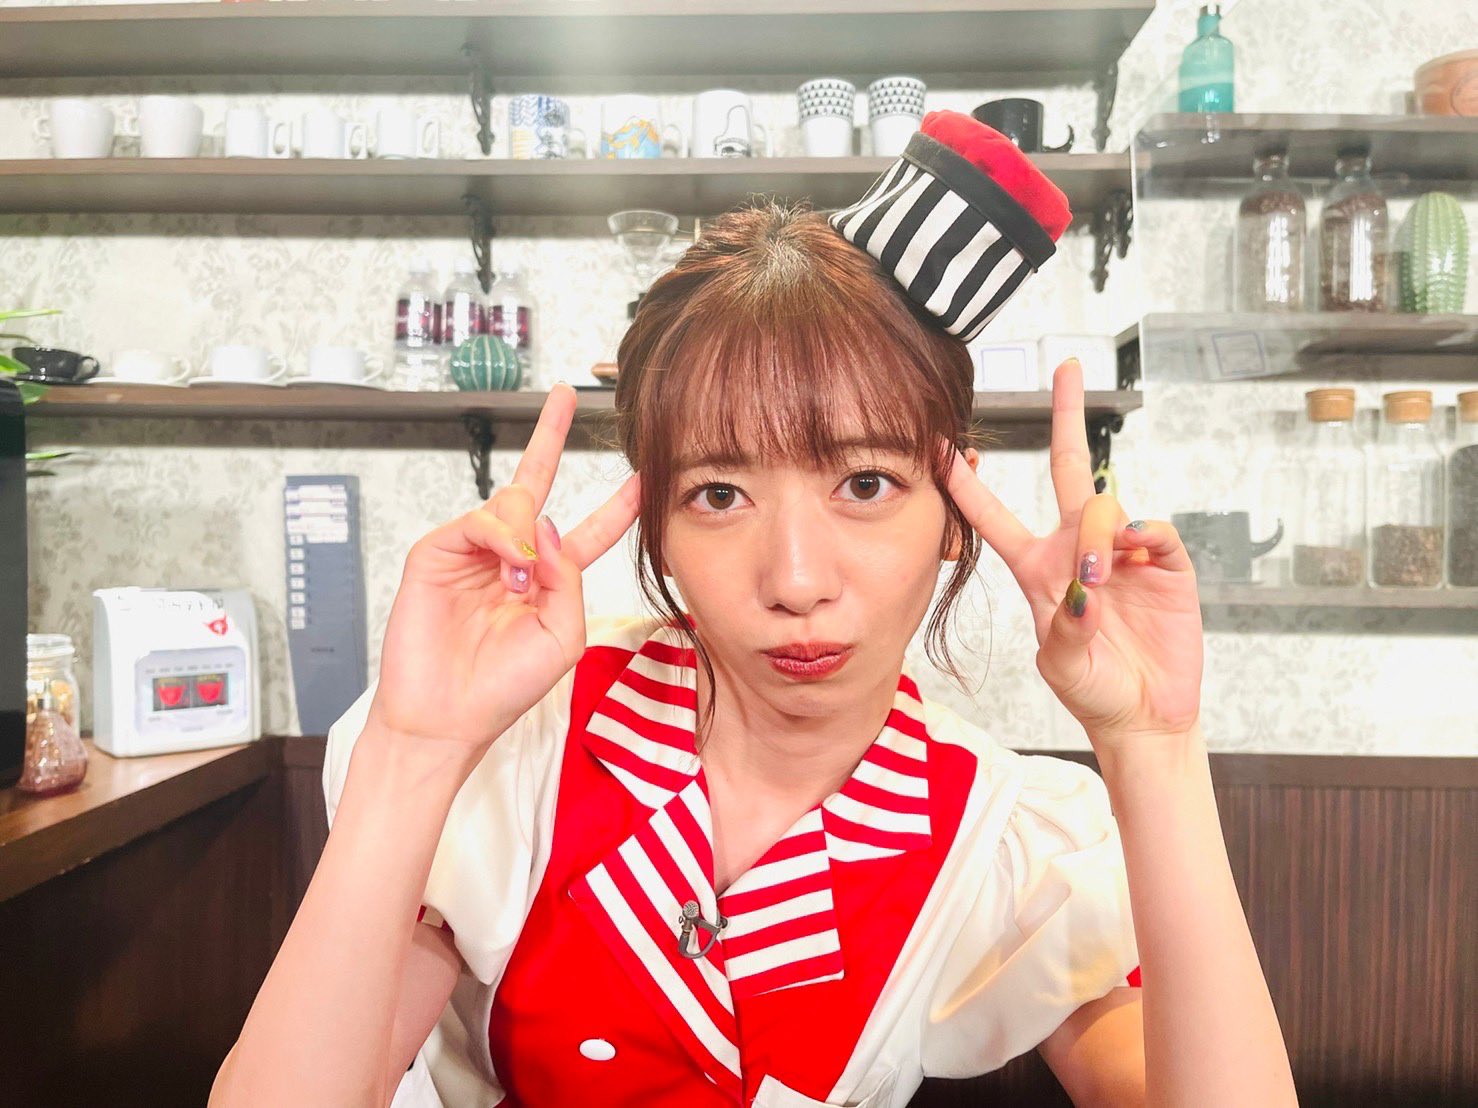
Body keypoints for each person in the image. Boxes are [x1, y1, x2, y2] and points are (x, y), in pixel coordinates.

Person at [211, 113, 1296, 1107]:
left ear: (953, 508)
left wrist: (1153, 746)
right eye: (720, 495)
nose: (795, 579)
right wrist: (415, 748)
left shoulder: (992, 834)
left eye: (864, 483)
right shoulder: (532, 752)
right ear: (656, 525)